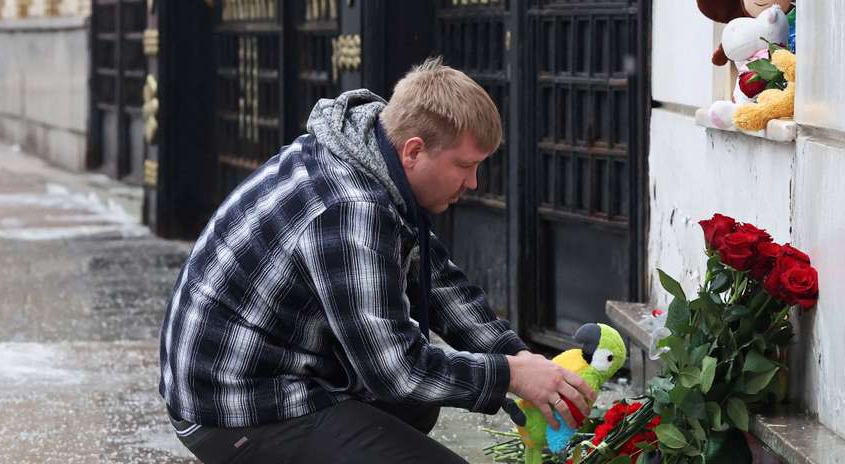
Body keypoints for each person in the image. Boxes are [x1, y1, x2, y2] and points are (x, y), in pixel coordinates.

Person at [159, 58, 595, 463]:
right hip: (233, 409)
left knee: (417, 407)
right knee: (412, 393)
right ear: (414, 151)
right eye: (464, 165)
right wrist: (508, 375)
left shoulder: (370, 156)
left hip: (276, 374)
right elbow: (395, 370)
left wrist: (524, 362)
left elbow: (441, 287)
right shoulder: (350, 208)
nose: (473, 182)